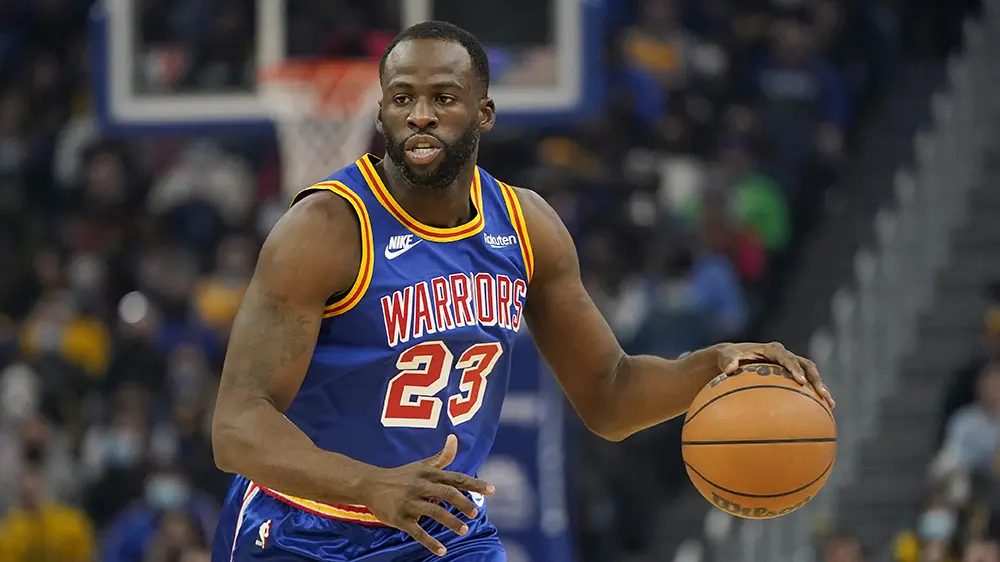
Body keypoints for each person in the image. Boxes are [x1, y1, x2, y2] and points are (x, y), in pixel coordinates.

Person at [209, 21, 834, 562]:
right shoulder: (326, 228)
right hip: (303, 528)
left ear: (484, 112)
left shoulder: (526, 226)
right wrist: (371, 485)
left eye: (443, 97)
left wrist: (710, 367)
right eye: (402, 98)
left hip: (442, 530)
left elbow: (611, 396)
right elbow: (237, 426)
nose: (420, 114)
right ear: (381, 114)